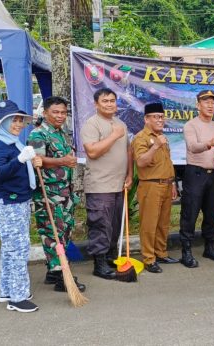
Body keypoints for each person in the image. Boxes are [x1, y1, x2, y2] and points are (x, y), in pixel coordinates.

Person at [0, 100, 42, 313]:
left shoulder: (10, 140)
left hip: (17, 200)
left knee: (11, 248)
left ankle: (6, 290)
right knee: (18, 249)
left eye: (19, 119)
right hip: (7, 202)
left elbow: (17, 167)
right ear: (0, 122)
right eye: (13, 120)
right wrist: (20, 159)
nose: (18, 124)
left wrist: (31, 162)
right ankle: (17, 298)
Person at [27, 97, 86, 292]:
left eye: (63, 112)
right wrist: (62, 161)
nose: (60, 116)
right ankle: (62, 275)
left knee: (65, 230)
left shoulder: (62, 133)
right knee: (53, 232)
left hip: (64, 191)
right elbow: (38, 159)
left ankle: (52, 271)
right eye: (55, 112)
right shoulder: (38, 134)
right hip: (48, 193)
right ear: (45, 113)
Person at [81, 88, 133, 280]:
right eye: (105, 101)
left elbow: (128, 151)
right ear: (96, 104)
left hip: (119, 184)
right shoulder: (91, 124)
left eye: (112, 100)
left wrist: (129, 175)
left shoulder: (120, 124)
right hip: (100, 185)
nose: (110, 104)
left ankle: (111, 256)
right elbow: (92, 152)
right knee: (100, 224)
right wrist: (113, 135)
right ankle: (99, 263)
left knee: (115, 224)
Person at [132, 102, 180, 274]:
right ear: (146, 119)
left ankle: (160, 253)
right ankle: (148, 258)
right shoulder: (141, 138)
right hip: (150, 185)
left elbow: (167, 162)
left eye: (162, 116)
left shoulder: (162, 137)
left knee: (163, 223)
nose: (160, 120)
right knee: (149, 224)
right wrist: (156, 145)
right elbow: (141, 162)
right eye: (156, 117)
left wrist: (172, 182)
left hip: (166, 184)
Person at [179, 90, 214, 268]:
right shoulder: (190, 125)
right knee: (190, 213)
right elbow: (192, 147)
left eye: (213, 102)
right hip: (195, 174)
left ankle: (209, 246)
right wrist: (209, 144)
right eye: (206, 102)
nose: (210, 105)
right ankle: (186, 251)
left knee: (212, 213)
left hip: (213, 175)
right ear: (198, 105)